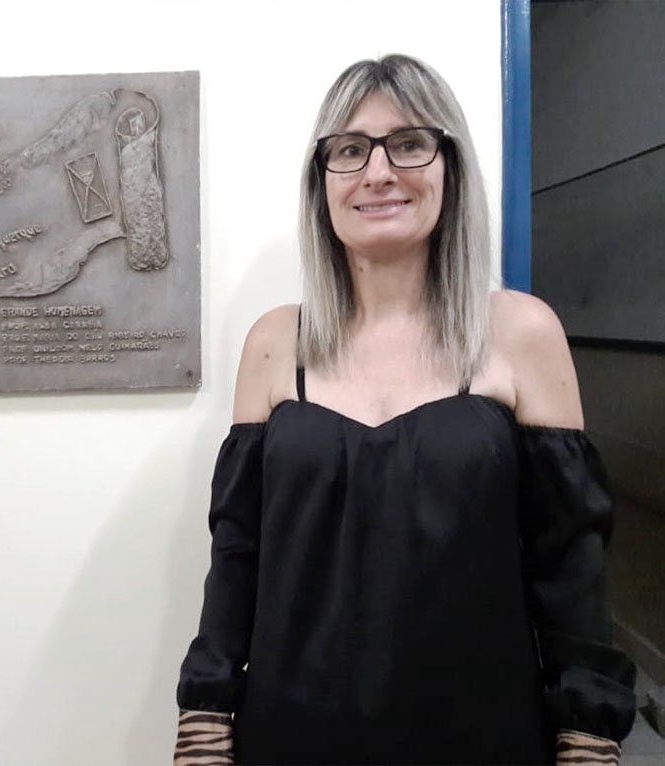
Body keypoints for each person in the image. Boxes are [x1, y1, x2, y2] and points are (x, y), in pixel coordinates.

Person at [174, 55, 636, 766]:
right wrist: (204, 720)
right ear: (321, 181)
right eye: (350, 150)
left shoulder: (520, 332)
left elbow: (570, 559)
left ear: (450, 167)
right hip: (292, 733)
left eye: (409, 143)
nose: (379, 172)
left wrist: (589, 733)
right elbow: (238, 552)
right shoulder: (275, 341)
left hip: (482, 736)